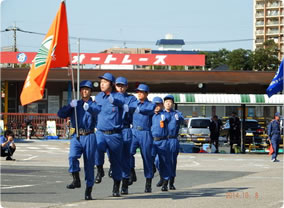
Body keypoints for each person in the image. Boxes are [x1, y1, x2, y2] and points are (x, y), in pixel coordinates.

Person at [57, 80, 100, 200]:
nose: (84, 91)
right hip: (76, 135)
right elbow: (60, 114)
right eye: (82, 89)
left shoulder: (94, 104)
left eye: (87, 89)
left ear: (90, 91)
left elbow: (98, 111)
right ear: (80, 91)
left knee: (89, 164)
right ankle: (76, 179)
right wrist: (70, 106)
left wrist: (89, 107)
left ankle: (88, 190)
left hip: (89, 135)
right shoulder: (76, 104)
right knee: (72, 156)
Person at [95, 72, 126, 197]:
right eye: (101, 82)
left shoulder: (118, 96)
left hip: (114, 135)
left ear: (111, 84)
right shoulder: (98, 97)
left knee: (116, 162)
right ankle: (100, 169)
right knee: (97, 148)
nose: (102, 84)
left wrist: (115, 101)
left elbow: (122, 103)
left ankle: (116, 187)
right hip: (101, 132)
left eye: (105, 82)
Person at [129, 84, 156, 193]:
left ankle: (148, 182)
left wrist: (138, 109)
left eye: (141, 92)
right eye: (138, 92)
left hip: (145, 132)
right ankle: (131, 171)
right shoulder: (133, 103)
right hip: (134, 131)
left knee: (147, 158)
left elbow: (148, 110)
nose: (139, 93)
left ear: (146, 93)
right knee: (128, 152)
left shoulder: (150, 104)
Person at [114, 77, 137, 195]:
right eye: (118, 85)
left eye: (123, 85)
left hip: (125, 129)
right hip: (113, 130)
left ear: (126, 86)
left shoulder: (131, 98)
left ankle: (124, 184)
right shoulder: (111, 97)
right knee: (113, 157)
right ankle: (116, 181)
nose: (120, 88)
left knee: (125, 158)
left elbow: (135, 107)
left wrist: (129, 109)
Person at [160, 94, 184, 190]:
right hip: (163, 139)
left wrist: (179, 118)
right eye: (166, 102)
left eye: (170, 102)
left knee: (172, 161)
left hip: (173, 139)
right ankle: (163, 178)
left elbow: (182, 120)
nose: (168, 104)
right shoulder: (161, 113)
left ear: (173, 104)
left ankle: (170, 182)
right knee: (160, 160)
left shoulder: (177, 113)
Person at [151, 97, 171, 191]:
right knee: (153, 160)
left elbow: (168, 118)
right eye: (155, 104)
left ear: (161, 105)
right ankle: (161, 176)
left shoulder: (164, 115)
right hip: (152, 141)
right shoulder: (150, 115)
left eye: (158, 104)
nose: (156, 106)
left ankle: (165, 181)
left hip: (162, 140)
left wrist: (163, 114)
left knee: (163, 161)